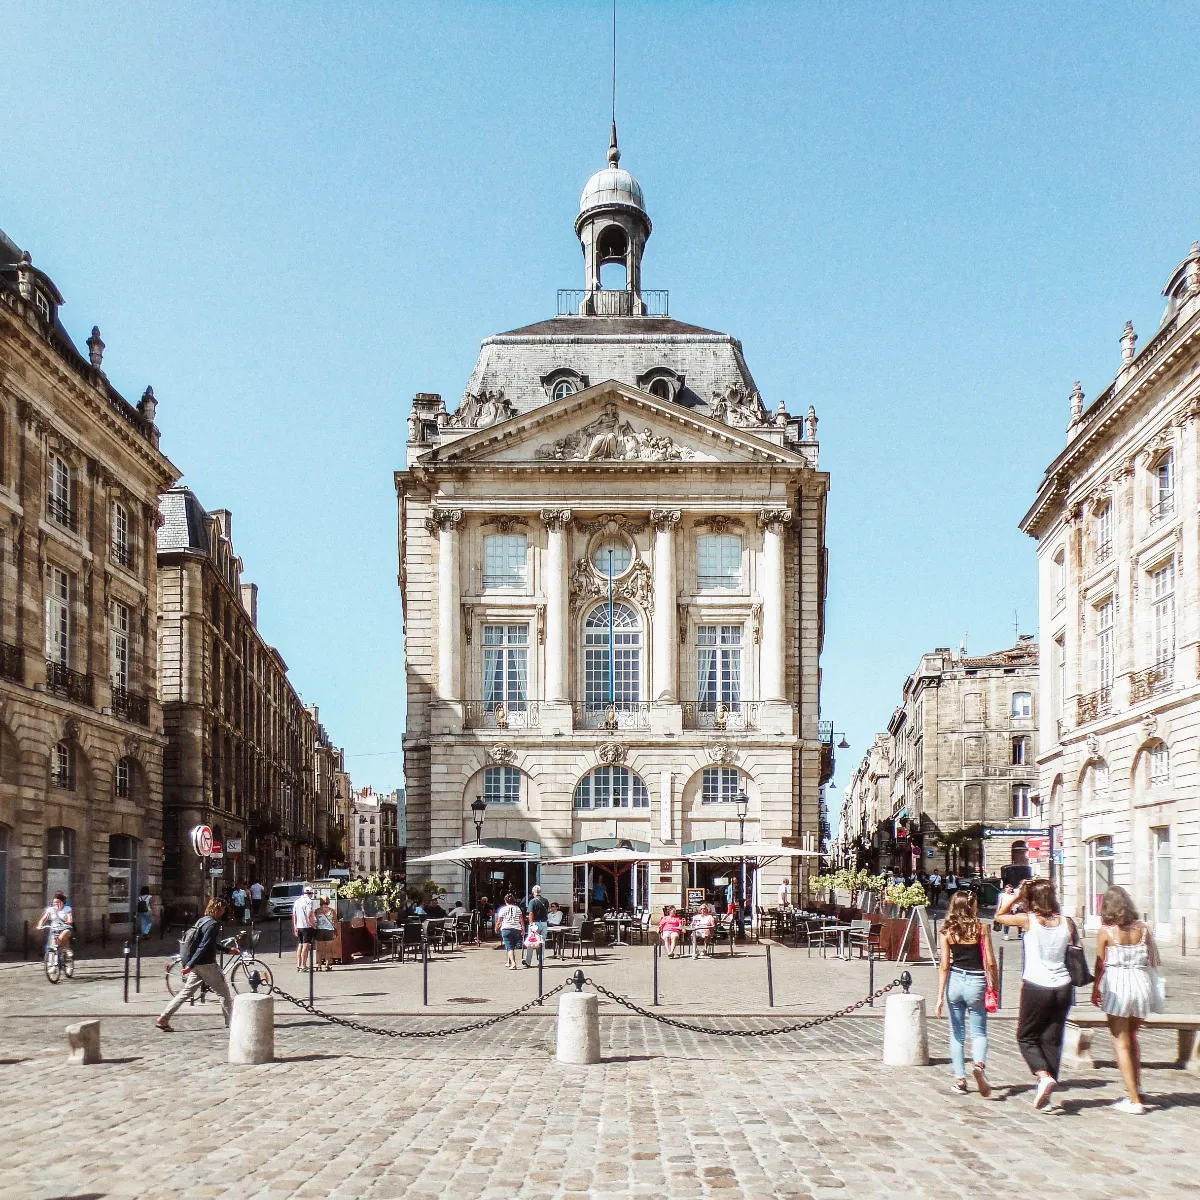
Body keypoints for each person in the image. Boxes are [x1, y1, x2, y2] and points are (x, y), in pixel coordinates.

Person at [995, 878, 1075, 1110]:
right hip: (1063, 985)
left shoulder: (1029, 920)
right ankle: (1047, 1095)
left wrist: (1019, 896)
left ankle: (1043, 1076)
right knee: (1051, 1039)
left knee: (1026, 1036)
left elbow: (1000, 916)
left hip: (1036, 985)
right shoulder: (1067, 922)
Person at [1092, 885, 1160, 1114]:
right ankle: (1136, 1087)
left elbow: (1100, 963)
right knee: (1132, 1038)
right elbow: (1153, 959)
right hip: (1141, 983)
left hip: (1118, 985)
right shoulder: (1144, 929)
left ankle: (1133, 1100)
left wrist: (1095, 988)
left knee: (1120, 1042)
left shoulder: (1107, 931)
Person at [935, 890, 997, 1097]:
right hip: (977, 981)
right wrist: (994, 985)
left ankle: (960, 1080)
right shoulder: (981, 928)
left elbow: (944, 965)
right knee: (979, 1031)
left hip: (955, 981)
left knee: (957, 1033)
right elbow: (990, 961)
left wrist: (939, 996)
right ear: (971, 907)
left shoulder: (947, 932)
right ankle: (978, 1065)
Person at [156, 900, 233, 1031]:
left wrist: (228, 950)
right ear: (217, 909)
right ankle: (232, 1023)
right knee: (224, 994)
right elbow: (204, 946)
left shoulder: (202, 921)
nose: (223, 912)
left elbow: (208, 943)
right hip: (207, 965)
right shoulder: (213, 924)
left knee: (185, 993)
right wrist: (190, 965)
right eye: (223, 909)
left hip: (197, 964)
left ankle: (164, 1017)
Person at [37, 891, 74, 958]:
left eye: (58, 902)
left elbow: (70, 918)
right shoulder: (51, 909)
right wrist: (40, 925)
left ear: (62, 902)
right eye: (54, 902)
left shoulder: (67, 909)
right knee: (52, 945)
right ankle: (52, 962)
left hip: (65, 928)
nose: (55, 904)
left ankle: (66, 949)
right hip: (54, 929)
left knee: (61, 937)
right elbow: (43, 918)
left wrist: (69, 921)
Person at [494, 892, 525, 969]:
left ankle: (513, 963)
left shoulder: (503, 909)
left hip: (506, 928)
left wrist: (496, 928)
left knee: (509, 946)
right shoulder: (518, 908)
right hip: (516, 929)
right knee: (512, 946)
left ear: (505, 901)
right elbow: (521, 920)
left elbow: (499, 920)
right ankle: (508, 962)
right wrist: (523, 929)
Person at [292, 884, 318, 972]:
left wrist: (295, 926)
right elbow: (309, 914)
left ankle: (298, 965)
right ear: (311, 893)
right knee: (306, 946)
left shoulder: (297, 901)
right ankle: (303, 965)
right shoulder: (309, 901)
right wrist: (313, 925)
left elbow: (294, 915)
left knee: (300, 945)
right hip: (306, 926)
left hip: (299, 926)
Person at [524, 885, 550, 968]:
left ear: (533, 892)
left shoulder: (532, 901)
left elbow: (531, 913)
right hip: (544, 923)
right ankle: (541, 962)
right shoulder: (546, 901)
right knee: (542, 943)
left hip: (535, 923)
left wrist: (531, 923)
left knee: (531, 942)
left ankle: (528, 961)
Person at [314, 893, 337, 971]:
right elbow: (335, 922)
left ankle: (318, 964)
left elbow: (314, 921)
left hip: (319, 931)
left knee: (319, 949)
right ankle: (328, 964)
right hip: (329, 931)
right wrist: (335, 932)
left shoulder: (317, 911)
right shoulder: (332, 911)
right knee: (328, 949)